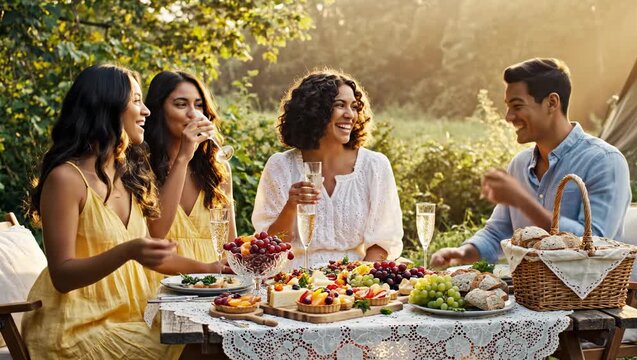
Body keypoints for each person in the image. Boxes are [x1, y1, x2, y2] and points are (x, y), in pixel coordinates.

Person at [21, 65, 184, 359]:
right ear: (107, 107)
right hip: (77, 330)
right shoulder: (66, 179)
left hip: (132, 318)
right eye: (136, 100)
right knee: (196, 347)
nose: (146, 110)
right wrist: (128, 251)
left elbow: (152, 254)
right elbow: (62, 275)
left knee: (211, 338)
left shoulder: (128, 175)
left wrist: (218, 269)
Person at [431, 58, 631, 268]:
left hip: (587, 298)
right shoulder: (520, 163)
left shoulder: (604, 162)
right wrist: (463, 253)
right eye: (508, 107)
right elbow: (497, 231)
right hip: (529, 294)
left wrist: (522, 201)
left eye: (517, 106)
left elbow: (595, 244)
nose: (509, 117)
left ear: (552, 103)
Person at [252, 69, 403, 268]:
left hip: (354, 284)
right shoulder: (281, 166)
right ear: (314, 110)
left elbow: (383, 243)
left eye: (354, 106)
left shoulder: (375, 166)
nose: (350, 115)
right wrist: (290, 207)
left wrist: (354, 281)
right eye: (339, 105)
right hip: (292, 284)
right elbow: (269, 247)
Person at [144, 70, 236, 265]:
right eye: (181, 104)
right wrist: (183, 158)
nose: (193, 114)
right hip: (160, 287)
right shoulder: (141, 165)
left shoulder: (217, 169)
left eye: (199, 105)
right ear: (159, 110)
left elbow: (230, 246)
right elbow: (156, 233)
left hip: (212, 287)